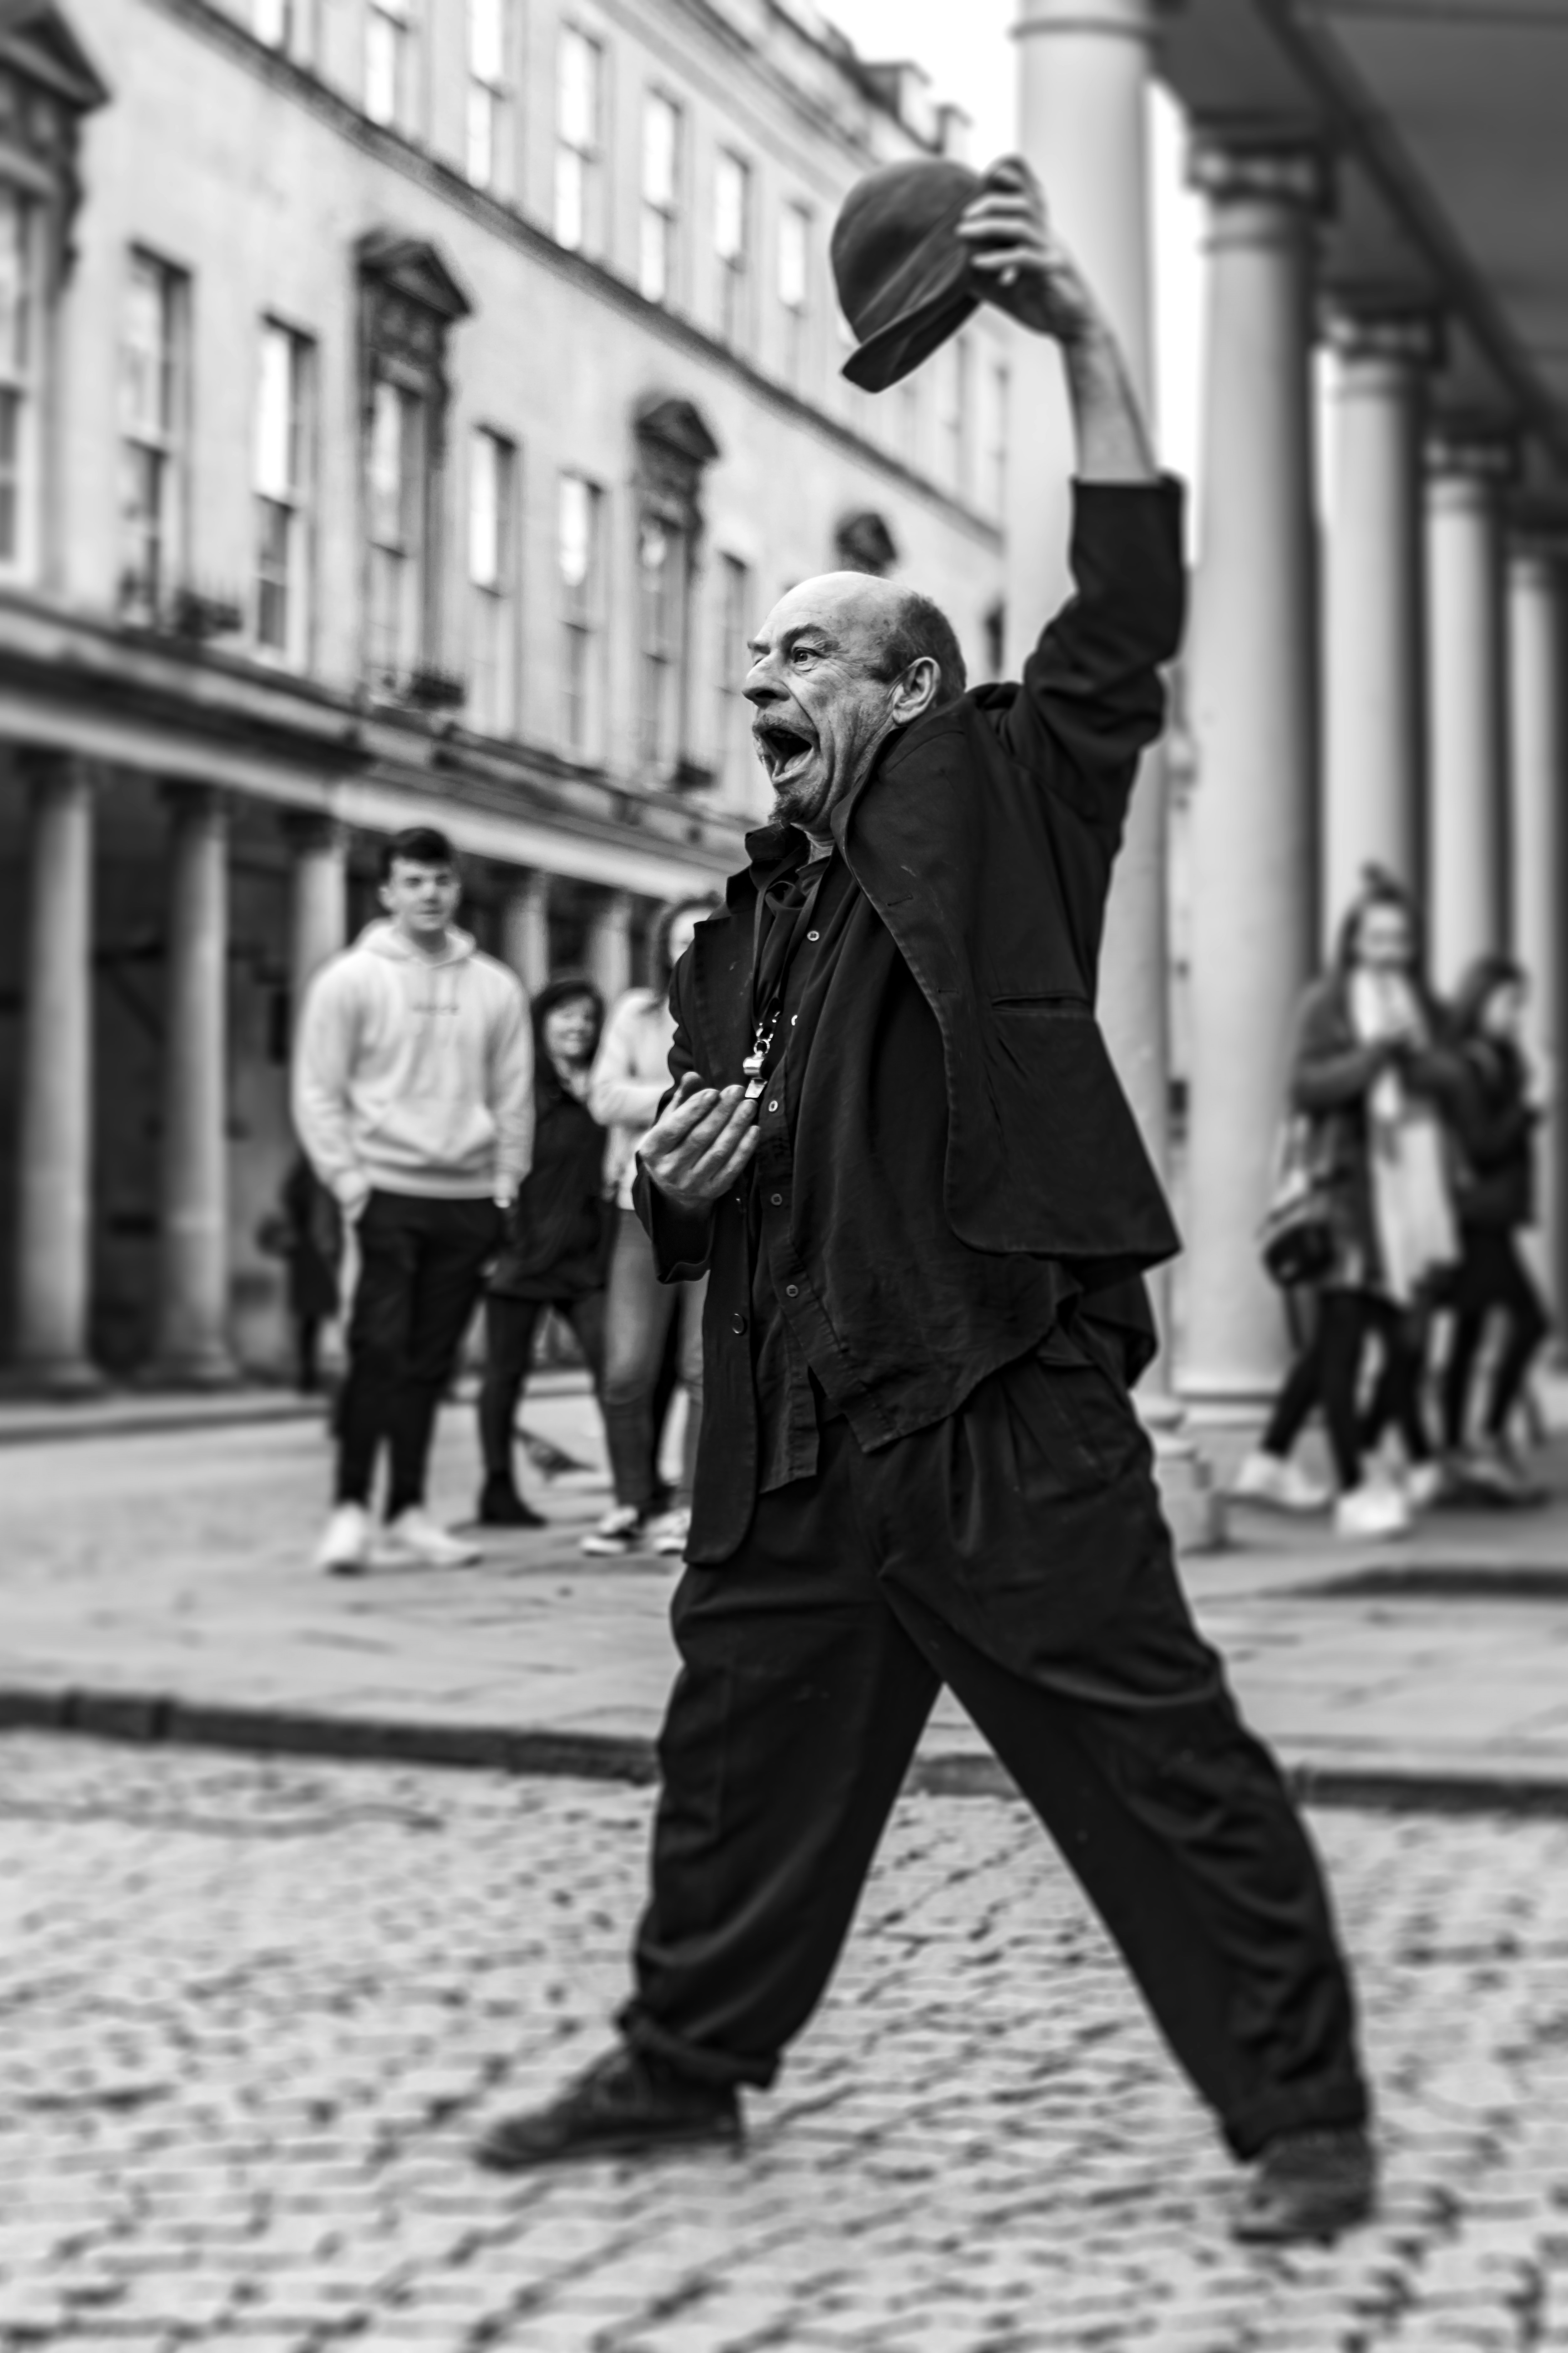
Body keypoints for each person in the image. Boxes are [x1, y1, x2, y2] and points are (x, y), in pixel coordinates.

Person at [475, 160, 1374, 2246]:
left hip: (990, 1401)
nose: (764, 683)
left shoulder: (1008, 791)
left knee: (1154, 1763)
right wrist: (685, 1182)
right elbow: (728, 1161)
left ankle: (1303, 2113)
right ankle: (685, 2067)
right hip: (791, 1429)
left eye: (802, 655)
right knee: (739, 1759)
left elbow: (1127, 609)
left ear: (897, 684)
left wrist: (1081, 340)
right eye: (760, 661)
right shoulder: (735, 929)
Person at [292, 827, 532, 1575]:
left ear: (457, 889)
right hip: (385, 1192)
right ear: (387, 891)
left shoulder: (494, 985)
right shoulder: (349, 980)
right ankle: (351, 1510)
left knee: (431, 1363)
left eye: (441, 881)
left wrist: (503, 1187)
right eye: (414, 881)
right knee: (376, 1353)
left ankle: (408, 1510)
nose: (429, 894)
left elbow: (515, 1095)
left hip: (466, 1198)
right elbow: (317, 1091)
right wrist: (350, 1185)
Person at [1235, 875, 1458, 1540]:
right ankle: (1354, 1483)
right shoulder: (1326, 1003)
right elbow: (1305, 1086)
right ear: (1353, 940)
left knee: (1391, 1337)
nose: (1388, 949)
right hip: (1345, 1193)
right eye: (1376, 936)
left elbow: (1448, 1081)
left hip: (1407, 1195)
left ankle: (1272, 1458)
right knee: (1343, 1334)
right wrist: (1374, 1055)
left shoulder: (1420, 1004)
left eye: (1399, 937)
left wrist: (1414, 1055)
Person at [582, 898, 720, 1559]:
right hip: (634, 1210)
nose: (687, 947)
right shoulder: (634, 1015)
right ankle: (630, 1502)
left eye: (701, 934)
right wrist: (676, 1099)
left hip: (716, 1208)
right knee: (626, 1369)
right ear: (659, 947)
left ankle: (692, 1506)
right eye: (676, 937)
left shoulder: (740, 1013)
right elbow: (602, 1096)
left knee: (702, 1367)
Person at [476, 976, 610, 1528]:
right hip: (522, 1253)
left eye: (586, 1017)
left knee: (618, 1373)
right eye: (565, 1016)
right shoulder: (520, 1089)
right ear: (541, 1023)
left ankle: (637, 1484)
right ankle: (498, 1489)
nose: (577, 1027)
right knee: (504, 1376)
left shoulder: (601, 1088)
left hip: (584, 1258)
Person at [1440, 954, 1550, 1500]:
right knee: (1530, 1321)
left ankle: (1461, 1448)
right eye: (1510, 1003)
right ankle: (1479, 1439)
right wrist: (1531, 1106)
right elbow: (1482, 1145)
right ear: (1481, 1001)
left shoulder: (1496, 1061)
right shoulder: (1467, 1065)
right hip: (1476, 1220)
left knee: (1468, 1333)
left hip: (1488, 1219)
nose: (1516, 1016)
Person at [258, 1151, 342, 1395]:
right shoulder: (309, 1174)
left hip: (328, 1249)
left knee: (323, 1316)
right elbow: (293, 1200)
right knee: (311, 1316)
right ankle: (309, 1375)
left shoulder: (331, 1173)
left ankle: (321, 1373)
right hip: (313, 1251)